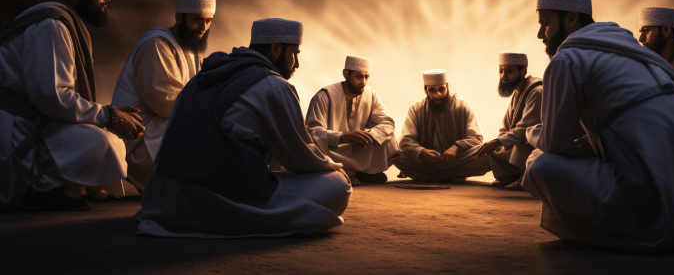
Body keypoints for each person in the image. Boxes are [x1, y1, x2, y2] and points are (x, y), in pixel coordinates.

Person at [522, 0, 674, 252]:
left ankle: (630, 233)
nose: (540, 33)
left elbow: (554, 144)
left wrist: (531, 133)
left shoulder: (569, 58)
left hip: (664, 200)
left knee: (539, 164)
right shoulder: (629, 49)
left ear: (572, 18)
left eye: (545, 23)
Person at [136, 18, 351, 238]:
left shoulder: (202, 77)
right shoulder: (274, 85)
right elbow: (299, 158)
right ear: (276, 48)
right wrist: (333, 166)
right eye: (295, 54)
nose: (297, 64)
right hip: (214, 202)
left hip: (166, 201)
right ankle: (239, 218)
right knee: (337, 185)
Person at [0, 0, 144, 211]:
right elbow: (52, 96)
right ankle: (41, 188)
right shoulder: (51, 24)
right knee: (103, 143)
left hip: (37, 119)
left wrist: (110, 116)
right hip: (20, 128)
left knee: (106, 135)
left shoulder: (62, 20)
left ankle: (63, 185)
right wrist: (109, 115)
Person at [112, 0, 216, 191]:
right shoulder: (157, 44)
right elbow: (167, 105)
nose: (203, 27)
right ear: (179, 18)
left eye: (208, 21)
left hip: (159, 131)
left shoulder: (190, 47)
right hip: (139, 140)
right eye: (197, 20)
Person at [306, 55, 398, 185]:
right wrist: (343, 137)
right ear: (346, 74)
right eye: (359, 76)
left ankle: (354, 174)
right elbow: (313, 132)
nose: (364, 82)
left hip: (358, 148)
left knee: (390, 138)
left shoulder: (371, 95)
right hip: (335, 149)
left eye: (366, 77)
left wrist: (368, 137)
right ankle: (356, 174)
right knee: (311, 148)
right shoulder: (324, 96)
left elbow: (388, 123)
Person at [394, 69, 490, 182]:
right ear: (425, 90)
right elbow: (405, 140)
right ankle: (451, 174)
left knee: (488, 155)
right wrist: (422, 152)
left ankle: (429, 174)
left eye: (441, 89)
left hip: (457, 160)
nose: (437, 95)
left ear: (447, 87)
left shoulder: (462, 106)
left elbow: (476, 138)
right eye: (432, 90)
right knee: (395, 154)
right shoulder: (416, 109)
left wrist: (455, 148)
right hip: (426, 161)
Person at [477, 52, 541, 189]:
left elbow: (525, 129)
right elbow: (505, 127)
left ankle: (526, 177)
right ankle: (511, 176)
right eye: (501, 71)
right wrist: (497, 142)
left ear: (523, 71)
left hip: (537, 144)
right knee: (494, 149)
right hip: (519, 142)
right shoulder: (518, 91)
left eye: (509, 71)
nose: (503, 76)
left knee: (520, 141)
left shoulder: (536, 91)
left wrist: (499, 141)